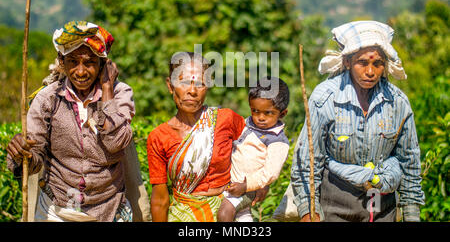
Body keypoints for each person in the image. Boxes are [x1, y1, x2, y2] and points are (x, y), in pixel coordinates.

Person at [6, 21, 150, 222]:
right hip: (57, 210)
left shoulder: (119, 93)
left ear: (103, 64)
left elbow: (116, 144)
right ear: (62, 62)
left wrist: (106, 90)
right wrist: (23, 155)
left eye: (89, 62)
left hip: (108, 209)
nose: (80, 72)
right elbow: (35, 155)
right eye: (73, 62)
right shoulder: (48, 98)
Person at [291, 20, 425, 222]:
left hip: (382, 204)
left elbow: (409, 160)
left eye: (377, 64)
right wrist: (308, 209)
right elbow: (308, 159)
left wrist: (411, 213)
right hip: (336, 201)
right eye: (362, 63)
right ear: (347, 62)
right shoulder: (325, 99)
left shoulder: (398, 103)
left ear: (385, 65)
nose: (370, 72)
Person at [147, 52, 269, 222]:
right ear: (170, 85)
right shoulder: (159, 137)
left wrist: (262, 182)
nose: (192, 91)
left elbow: (260, 145)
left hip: (228, 212)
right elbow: (160, 199)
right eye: (183, 82)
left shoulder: (226, 119)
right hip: (183, 217)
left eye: (200, 84)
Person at [217, 77, 290, 222]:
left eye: (268, 113)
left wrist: (246, 186)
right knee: (242, 216)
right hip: (232, 183)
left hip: (248, 188)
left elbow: (270, 173)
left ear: (282, 114)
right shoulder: (247, 123)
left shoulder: (277, 141)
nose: (260, 117)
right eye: (255, 111)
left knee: (225, 213)